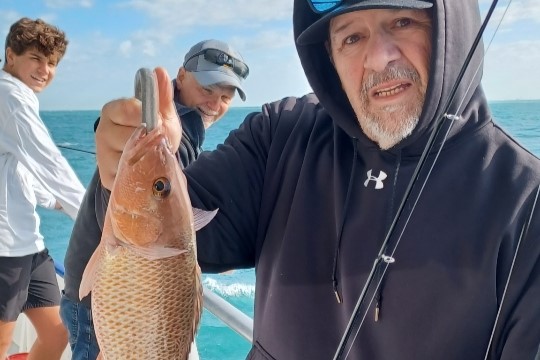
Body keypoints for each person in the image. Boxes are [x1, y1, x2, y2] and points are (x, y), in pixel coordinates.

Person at [96, 0, 540, 359]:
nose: (378, 57)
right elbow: (161, 243)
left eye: (402, 21)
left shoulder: (527, 205)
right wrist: (125, 169)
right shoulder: (282, 135)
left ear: (450, 28)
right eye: (351, 36)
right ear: (328, 58)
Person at [60, 39, 249, 360]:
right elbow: (152, 143)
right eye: (208, 90)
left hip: (103, 290)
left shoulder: (180, 125)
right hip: (105, 300)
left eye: (225, 97)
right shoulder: (177, 127)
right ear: (182, 75)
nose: (215, 105)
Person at [0, 17, 86, 359]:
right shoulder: (10, 96)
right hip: (5, 249)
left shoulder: (16, 97)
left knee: (58, 330)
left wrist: (54, 201)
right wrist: (100, 220)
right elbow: (49, 161)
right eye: (36, 58)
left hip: (30, 247)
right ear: (11, 55)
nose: (45, 70)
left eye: (51, 63)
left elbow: (18, 169)